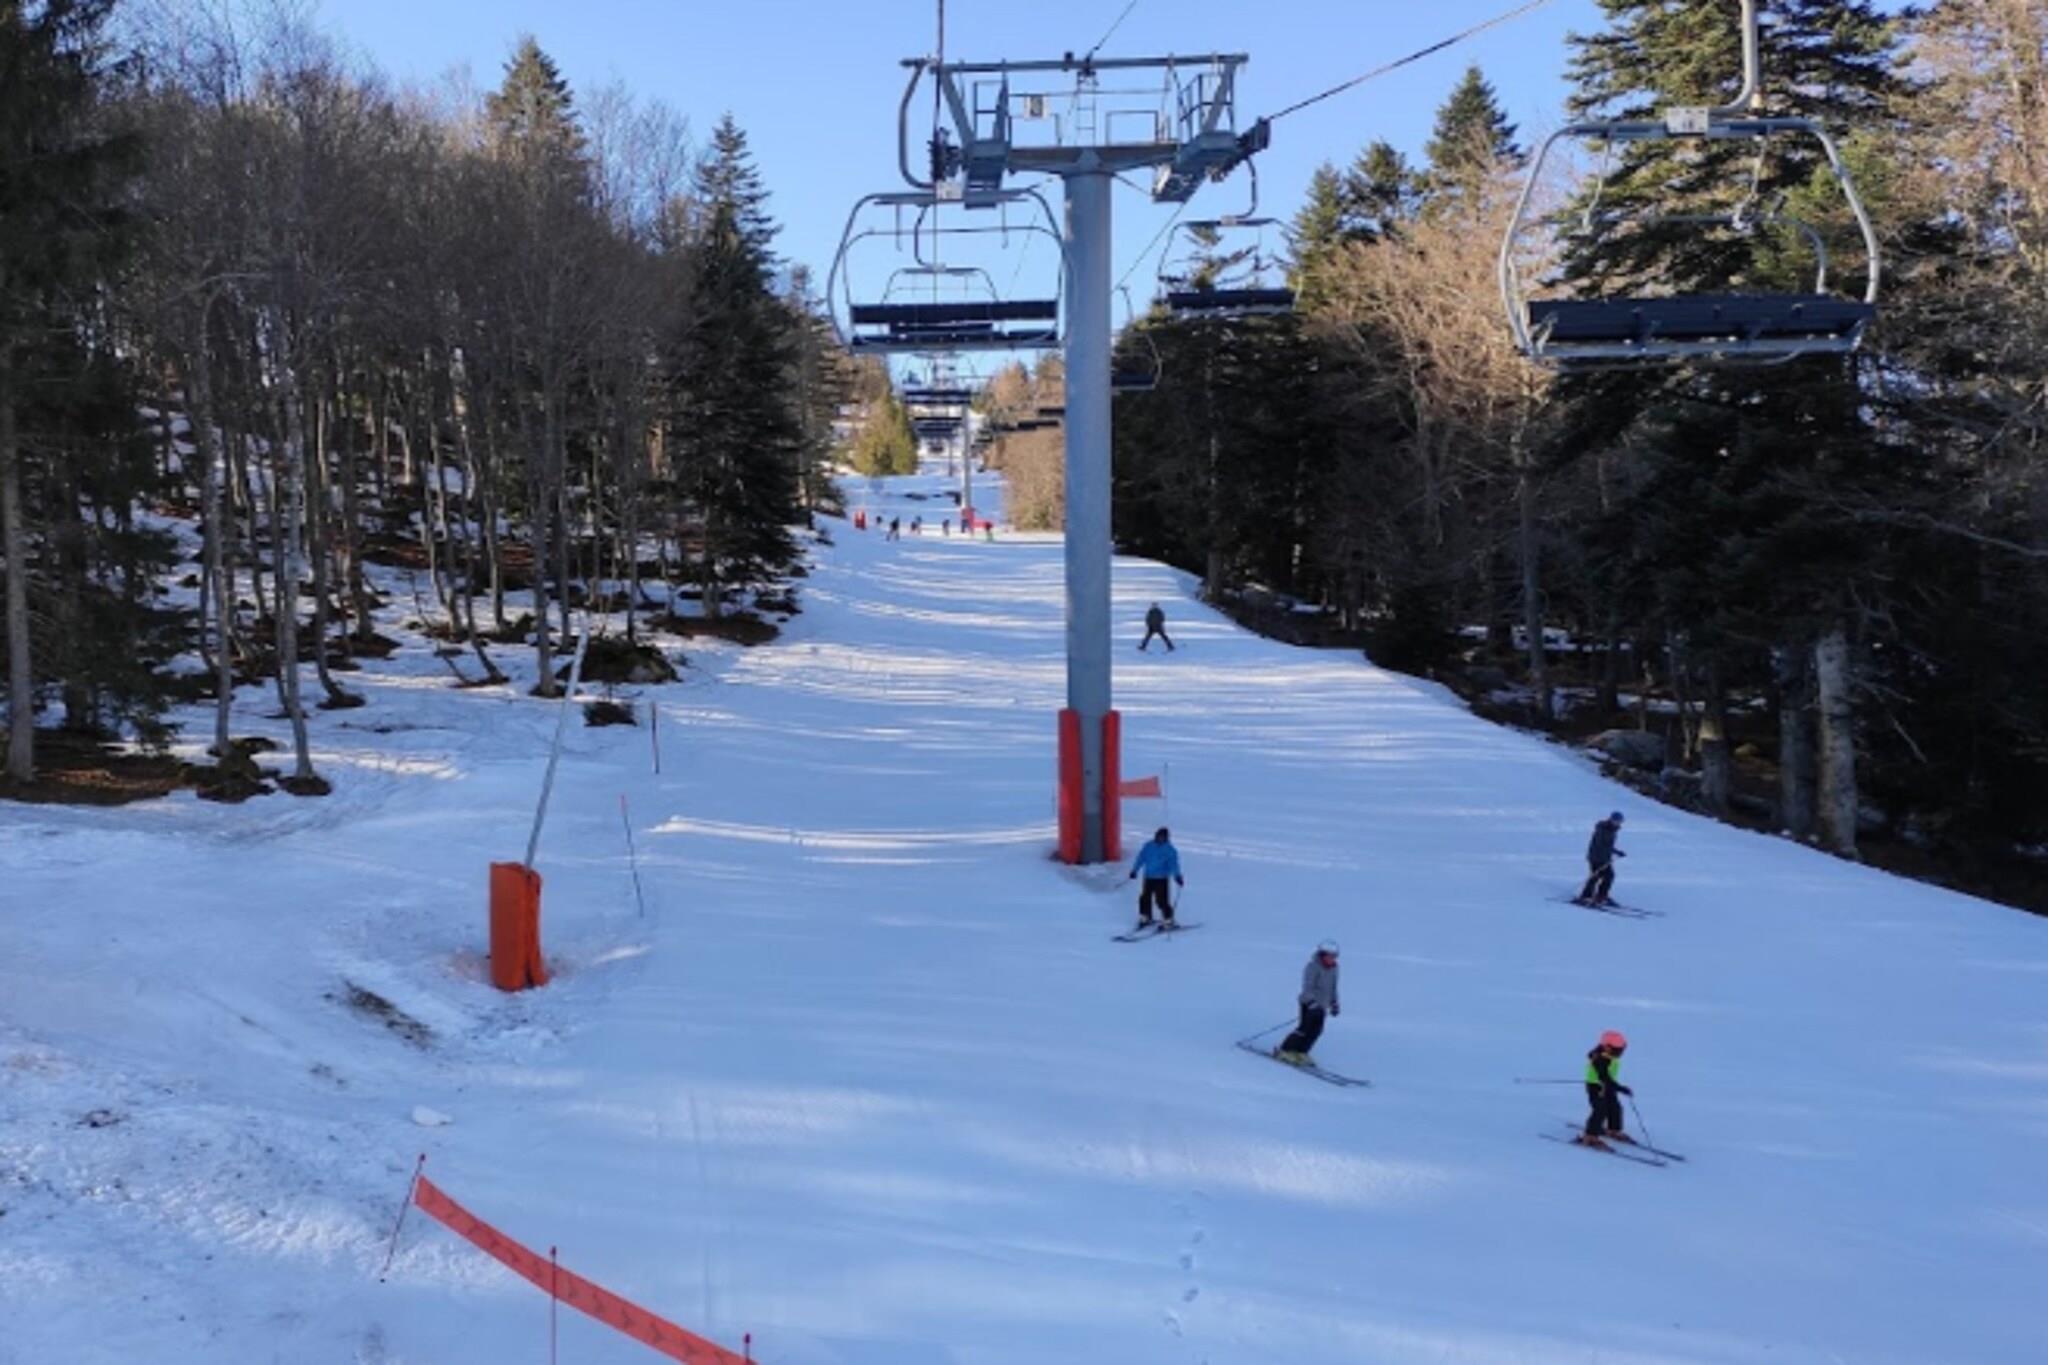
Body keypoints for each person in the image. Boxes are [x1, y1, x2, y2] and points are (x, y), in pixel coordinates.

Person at [1275, 941, 1340, 1065]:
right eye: (1329, 956)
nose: (1332, 959)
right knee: (1304, 1028)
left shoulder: (1334, 969)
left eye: (1334, 957)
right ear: (1322, 955)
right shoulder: (1313, 966)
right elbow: (1307, 987)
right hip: (1308, 1003)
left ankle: (1301, 1052)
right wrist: (1311, 1002)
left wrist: (1334, 1003)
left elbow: (1333, 987)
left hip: (1322, 1005)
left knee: (1316, 1031)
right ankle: (1285, 1050)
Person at [1577, 1030, 1633, 1147]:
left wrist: (1617, 1087)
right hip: (1597, 1088)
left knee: (1615, 1107)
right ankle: (1590, 1136)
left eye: (1621, 1050)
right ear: (1607, 1048)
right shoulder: (1600, 1059)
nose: (1619, 1053)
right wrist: (1620, 1088)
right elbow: (1604, 1077)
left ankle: (1613, 1129)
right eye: (1617, 1050)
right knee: (1600, 1110)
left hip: (1608, 1086)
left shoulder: (1609, 1056)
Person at [1126, 826, 1184, 928]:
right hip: (1148, 877)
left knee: (1161, 900)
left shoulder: (1169, 850)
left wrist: (1177, 876)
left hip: (1161, 878)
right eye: (1158, 836)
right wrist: (1134, 870)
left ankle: (1168, 919)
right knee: (1145, 897)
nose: (1160, 838)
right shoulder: (1149, 846)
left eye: (1163, 837)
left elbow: (1173, 865)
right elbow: (1141, 858)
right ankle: (1145, 916)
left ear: (1166, 838)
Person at [1576, 811, 1625, 906]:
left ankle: (1601, 896)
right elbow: (1600, 844)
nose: (1618, 823)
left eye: (1620, 821)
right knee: (1595, 876)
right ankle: (1586, 896)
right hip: (1596, 857)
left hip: (1604, 858)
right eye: (1617, 821)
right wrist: (1612, 851)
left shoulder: (1612, 830)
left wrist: (1617, 852)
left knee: (1609, 876)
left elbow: (1608, 845)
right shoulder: (1602, 829)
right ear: (1611, 819)